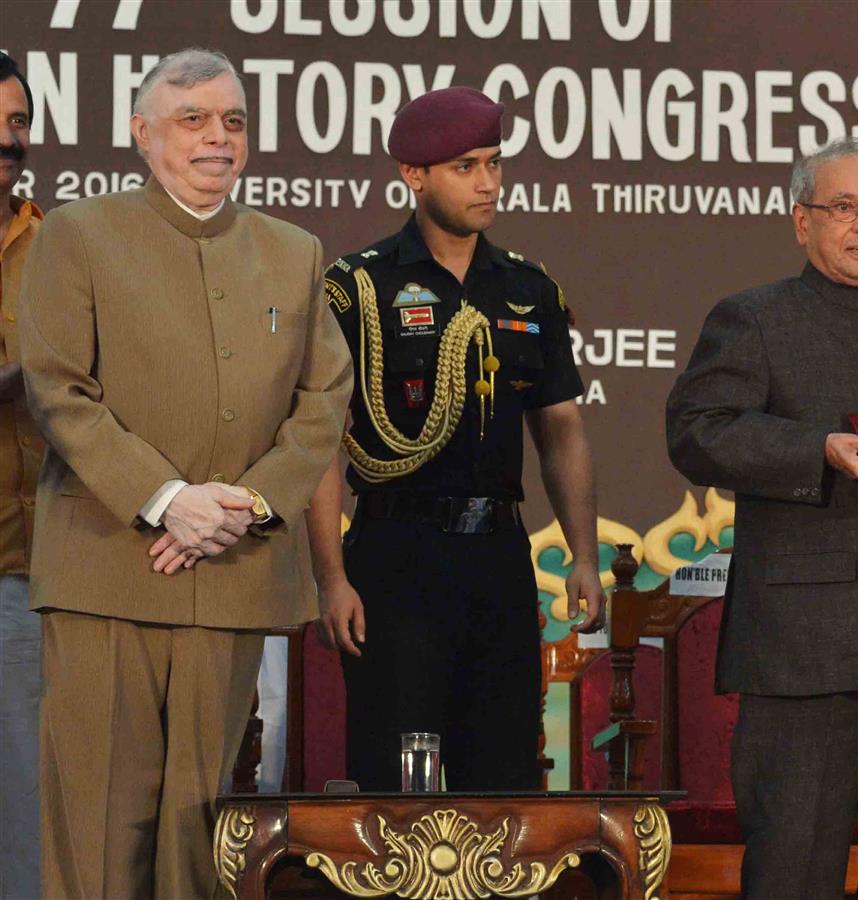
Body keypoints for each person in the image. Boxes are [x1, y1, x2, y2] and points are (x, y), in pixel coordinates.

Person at [19, 48, 352, 896]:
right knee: (98, 835)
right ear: (141, 133)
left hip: (234, 573)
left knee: (201, 844)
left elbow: (324, 400)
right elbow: (57, 389)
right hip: (107, 571)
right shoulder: (77, 234)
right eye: (192, 119)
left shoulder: (295, 251)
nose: (217, 139)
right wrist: (166, 500)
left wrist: (243, 505)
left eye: (233, 121)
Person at [667, 136, 858, 898]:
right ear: (802, 222)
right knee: (797, 865)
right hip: (804, 647)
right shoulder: (753, 317)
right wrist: (816, 449)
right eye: (844, 208)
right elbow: (696, 429)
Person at [312, 86, 604, 793]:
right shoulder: (358, 286)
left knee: (504, 774)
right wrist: (331, 578)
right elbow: (320, 444)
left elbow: (561, 430)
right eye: (466, 166)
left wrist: (584, 558)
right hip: (393, 555)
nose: (488, 183)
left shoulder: (530, 290)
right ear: (415, 176)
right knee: (391, 780)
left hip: (499, 556)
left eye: (495, 163)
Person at [0, 49, 42, 900]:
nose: (12, 140)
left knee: (26, 813)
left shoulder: (61, 245)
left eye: (18, 125)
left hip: (29, 571)